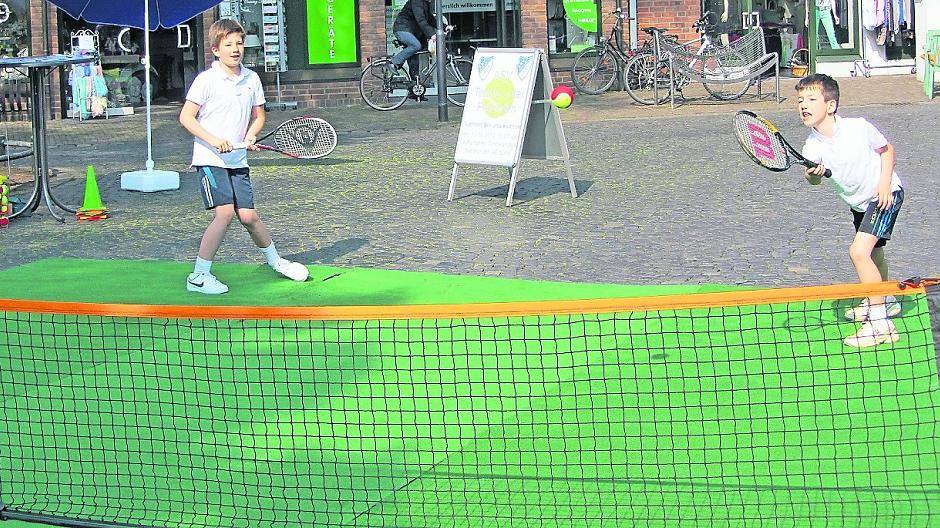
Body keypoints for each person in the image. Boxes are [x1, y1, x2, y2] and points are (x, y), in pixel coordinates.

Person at [179, 19, 308, 294]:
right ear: (216, 50)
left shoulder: (252, 79)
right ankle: (199, 276)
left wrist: (250, 135)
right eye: (229, 45)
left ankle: (276, 261)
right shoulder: (206, 80)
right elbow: (186, 118)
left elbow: (259, 117)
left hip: (238, 159)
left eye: (239, 43)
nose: (236, 49)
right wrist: (215, 141)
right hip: (210, 159)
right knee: (224, 214)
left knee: (248, 216)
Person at [798, 74, 904, 348]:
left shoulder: (858, 127)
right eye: (800, 100)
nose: (803, 105)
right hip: (858, 204)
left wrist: (883, 184)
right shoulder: (812, 145)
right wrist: (814, 174)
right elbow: (813, 180)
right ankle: (885, 298)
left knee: (858, 252)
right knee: (874, 252)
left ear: (831, 106)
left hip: (884, 194)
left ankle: (880, 325)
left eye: (811, 99)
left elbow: (887, 150)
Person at [388, 0, 437, 81]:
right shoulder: (417, 1)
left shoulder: (425, 3)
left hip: (412, 32)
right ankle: (394, 62)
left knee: (414, 63)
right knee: (416, 46)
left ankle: (414, 88)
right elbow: (420, 20)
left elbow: (431, 19)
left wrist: (445, 27)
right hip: (402, 29)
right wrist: (432, 34)